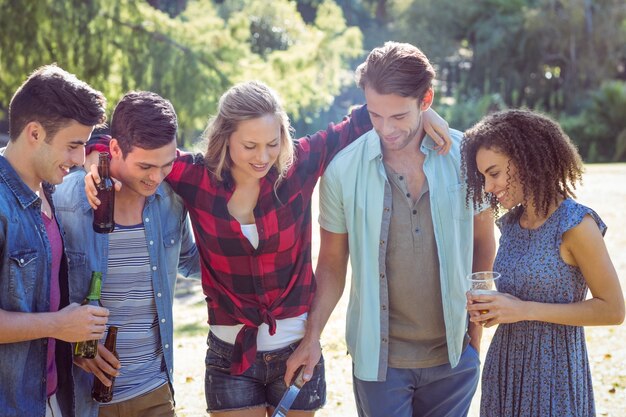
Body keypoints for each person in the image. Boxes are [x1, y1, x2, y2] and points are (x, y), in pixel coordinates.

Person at [85, 80, 451, 417]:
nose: (263, 157)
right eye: (250, 146)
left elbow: (362, 120)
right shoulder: (194, 176)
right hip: (229, 356)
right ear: (225, 138)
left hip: (297, 348)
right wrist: (94, 158)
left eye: (272, 143)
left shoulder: (300, 166)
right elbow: (116, 144)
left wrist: (423, 113)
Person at [290, 41, 496, 417]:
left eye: (399, 116)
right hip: (379, 364)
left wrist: (474, 337)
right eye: (375, 115)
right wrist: (313, 334)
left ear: (426, 99)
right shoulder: (342, 171)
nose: (386, 128)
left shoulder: (466, 158)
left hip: (454, 356)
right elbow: (332, 264)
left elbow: (483, 241)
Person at [461, 109, 625, 416]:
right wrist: (496, 309)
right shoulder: (510, 224)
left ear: (526, 160)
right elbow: (516, 299)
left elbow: (613, 310)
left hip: (555, 375)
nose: (488, 187)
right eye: (483, 177)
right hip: (506, 369)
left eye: (494, 173)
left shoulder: (575, 224)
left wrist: (523, 310)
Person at [55, 91, 201, 417]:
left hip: (155, 389)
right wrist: (72, 345)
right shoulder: (66, 199)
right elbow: (43, 290)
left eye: (166, 165)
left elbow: (190, 261)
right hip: (85, 398)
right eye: (146, 166)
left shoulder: (171, 200)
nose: (156, 177)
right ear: (115, 149)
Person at [0, 65, 109, 417]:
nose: (79, 159)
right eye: (73, 145)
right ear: (34, 133)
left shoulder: (48, 189)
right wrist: (58, 325)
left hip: (53, 399)